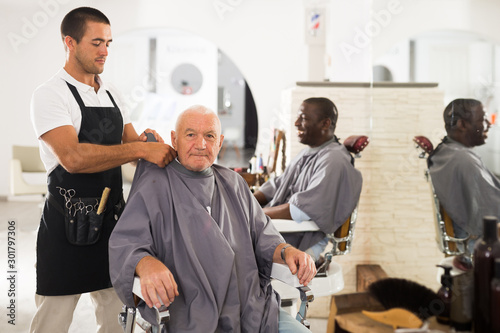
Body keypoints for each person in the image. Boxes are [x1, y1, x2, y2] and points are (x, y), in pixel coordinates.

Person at [29, 7, 176, 333]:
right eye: (96, 42)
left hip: (113, 228)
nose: (105, 51)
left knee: (117, 320)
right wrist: (139, 148)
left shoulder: (112, 94)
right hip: (66, 228)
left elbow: (134, 152)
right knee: (52, 322)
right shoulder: (50, 95)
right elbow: (73, 158)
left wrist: (148, 144)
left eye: (108, 42)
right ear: (70, 42)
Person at [109, 106, 316, 332]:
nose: (201, 145)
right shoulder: (154, 186)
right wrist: (145, 263)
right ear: (174, 140)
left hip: (250, 309)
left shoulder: (234, 183)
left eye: (209, 136)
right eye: (190, 135)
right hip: (189, 314)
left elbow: (265, 238)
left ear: (220, 142)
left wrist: (287, 251)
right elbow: (126, 243)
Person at [253, 97, 362, 261]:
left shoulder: (334, 160)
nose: (296, 123)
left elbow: (300, 210)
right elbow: (278, 185)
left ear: (325, 124)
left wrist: (254, 214)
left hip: (299, 242)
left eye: (303, 118)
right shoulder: (308, 152)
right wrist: (245, 201)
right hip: (280, 233)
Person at [428, 98, 499, 250]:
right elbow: (492, 214)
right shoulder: (464, 160)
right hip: (478, 247)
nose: (489, 124)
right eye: (483, 120)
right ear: (462, 124)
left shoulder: (448, 152)